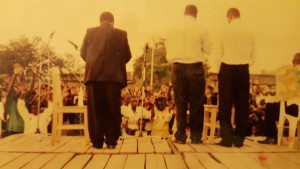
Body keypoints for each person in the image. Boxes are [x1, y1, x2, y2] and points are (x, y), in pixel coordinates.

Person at [80, 12, 132, 149]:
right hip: (113, 79)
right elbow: (128, 56)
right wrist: (115, 65)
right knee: (112, 109)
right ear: (112, 22)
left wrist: (95, 63)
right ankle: (111, 142)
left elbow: (83, 54)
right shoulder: (122, 34)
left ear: (100, 21)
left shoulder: (90, 32)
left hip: (94, 77)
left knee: (95, 110)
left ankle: (97, 142)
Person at [166, 4, 212, 144]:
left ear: (184, 13)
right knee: (196, 102)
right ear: (195, 15)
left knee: (180, 102)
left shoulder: (174, 27)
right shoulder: (201, 28)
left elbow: (168, 50)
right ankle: (196, 136)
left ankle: (180, 135)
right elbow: (208, 49)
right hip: (195, 66)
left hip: (178, 65)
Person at [217, 8, 256, 147]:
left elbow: (218, 52)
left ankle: (226, 138)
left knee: (225, 104)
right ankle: (239, 138)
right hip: (243, 68)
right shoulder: (249, 31)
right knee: (242, 104)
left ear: (230, 16)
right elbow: (254, 55)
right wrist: (245, 63)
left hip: (227, 66)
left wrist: (220, 69)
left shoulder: (224, 30)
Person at [258, 53, 300, 144]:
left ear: (293, 62)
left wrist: (270, 94)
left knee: (270, 106)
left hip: (292, 109)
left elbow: (282, 93)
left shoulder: (291, 74)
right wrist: (271, 92)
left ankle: (271, 136)